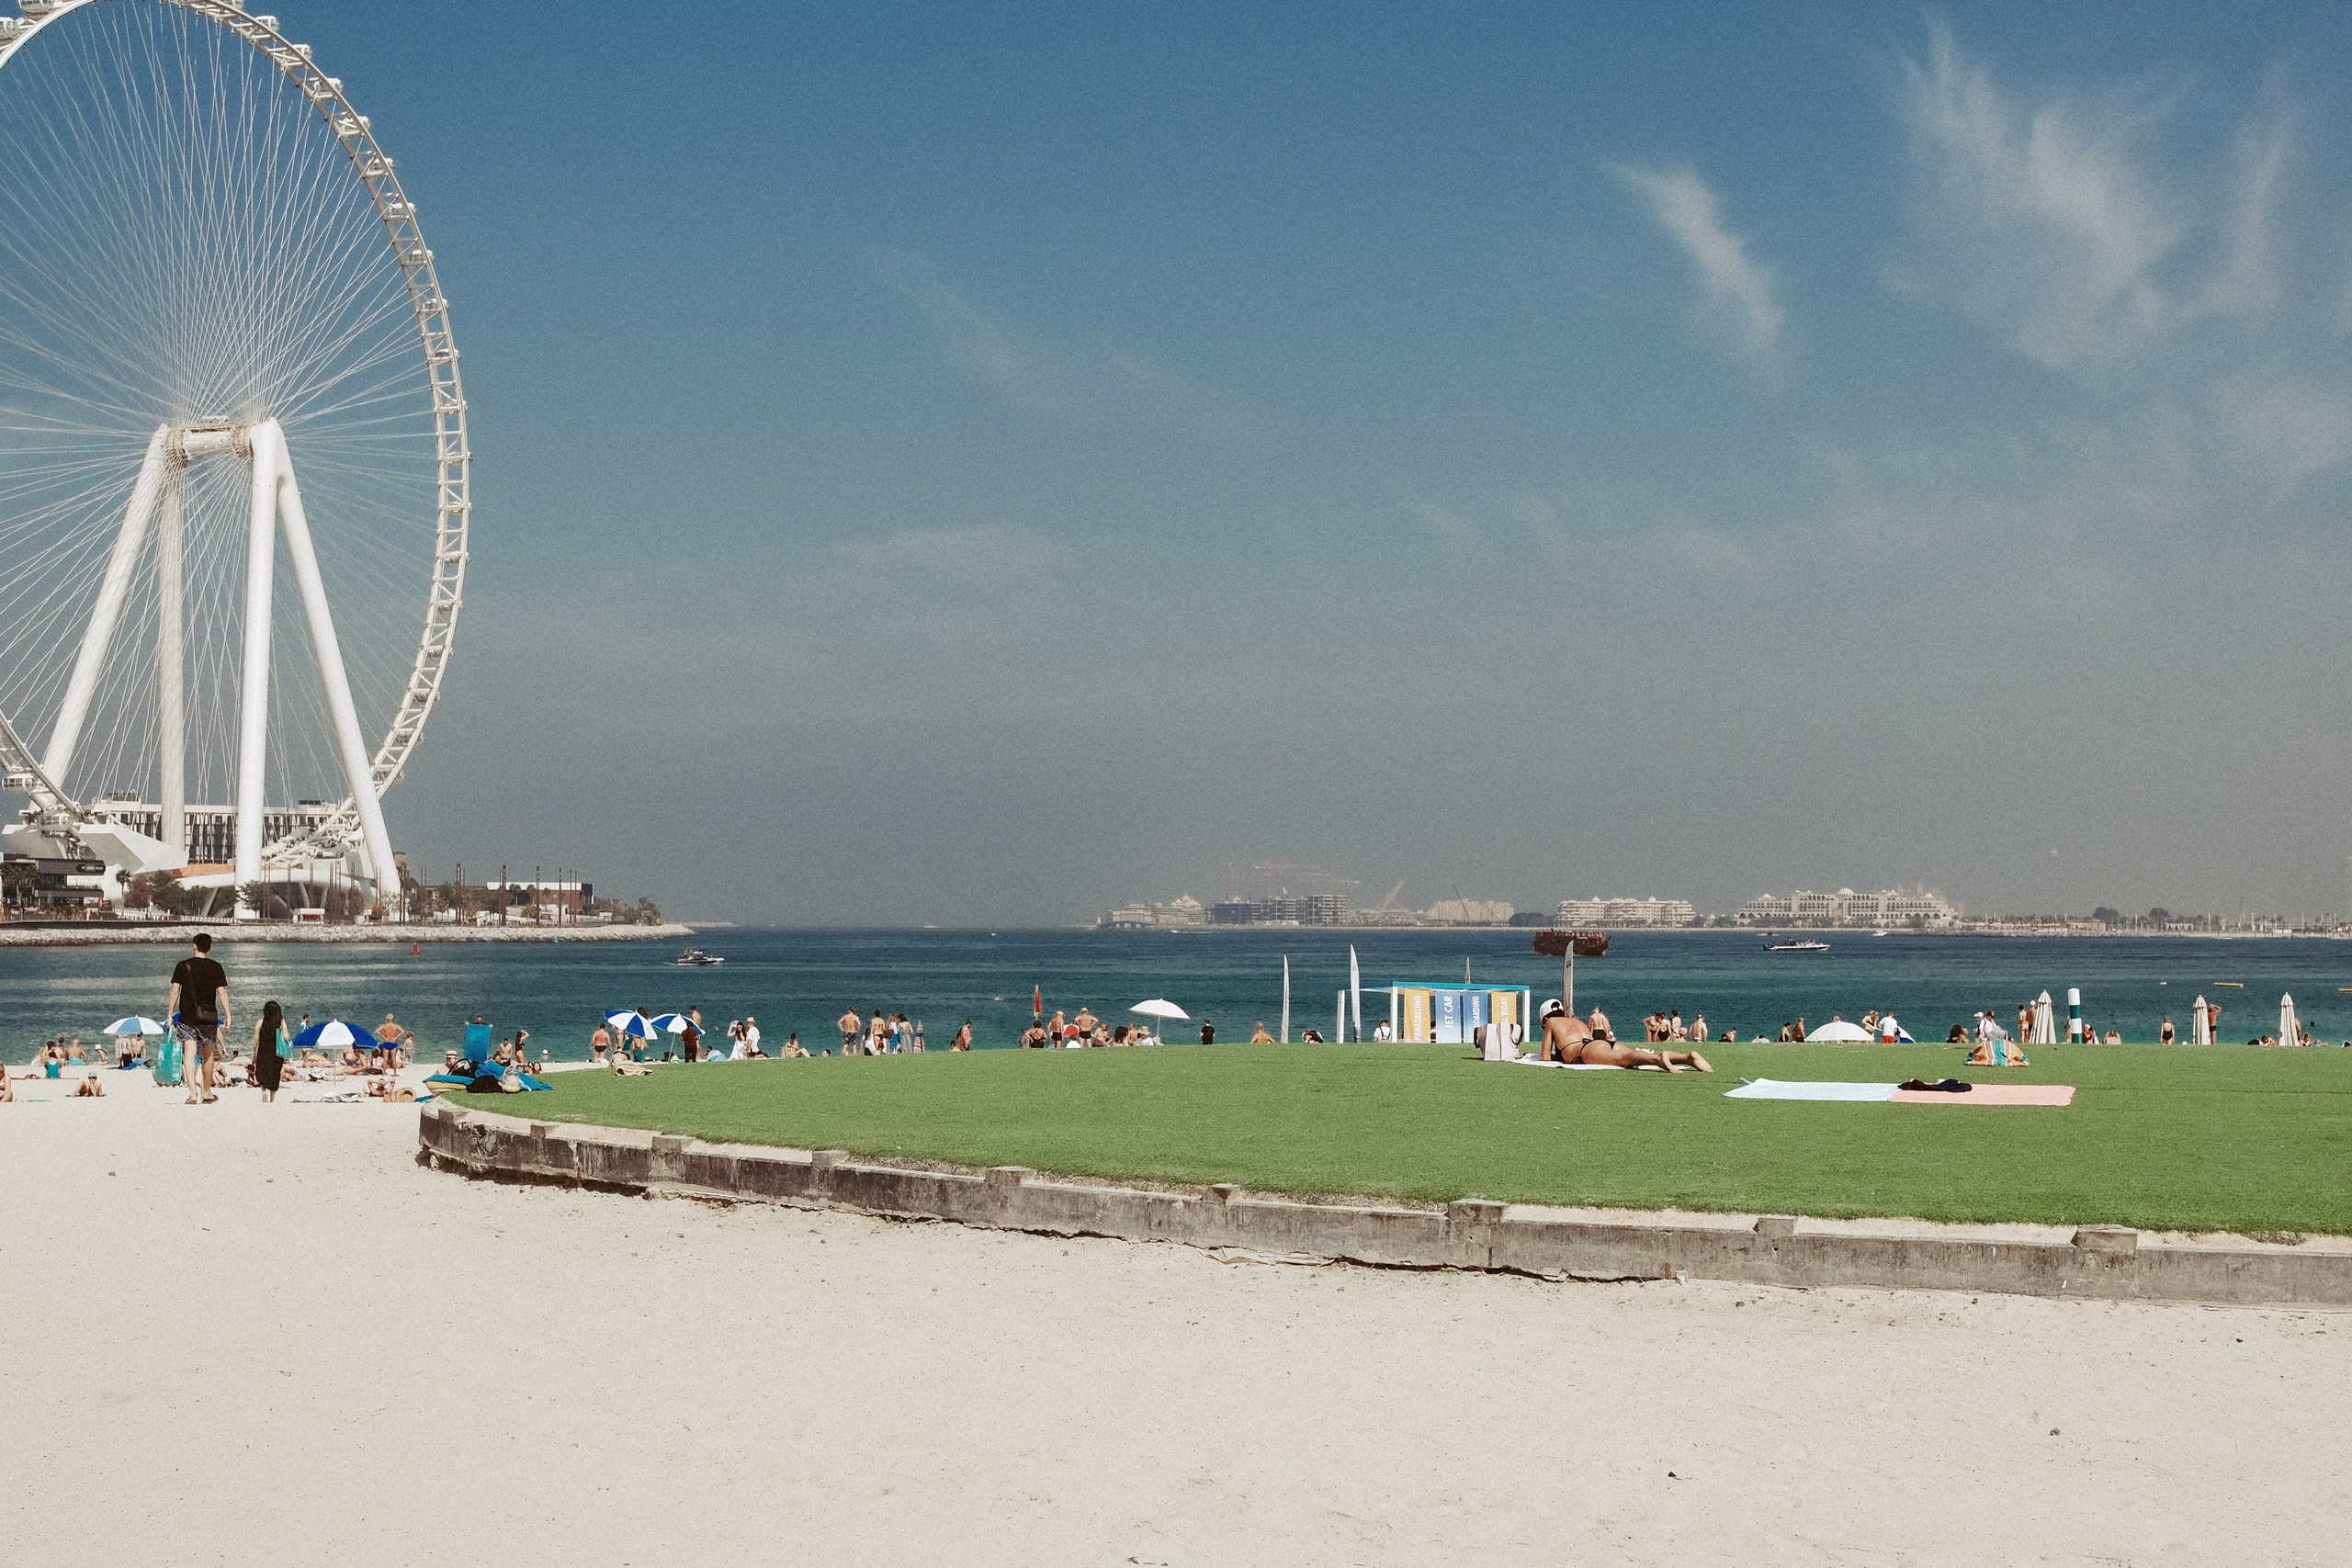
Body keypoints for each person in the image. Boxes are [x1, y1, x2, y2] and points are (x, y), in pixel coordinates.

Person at [1538, 1000, 1710, 1072]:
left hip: (1585, 1051)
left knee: (1626, 1059)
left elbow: (1545, 1058)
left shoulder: (1551, 1023)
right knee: (1628, 1055)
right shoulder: (1575, 1021)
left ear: (1545, 1018)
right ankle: (1687, 1058)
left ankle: (1659, 1059)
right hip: (1599, 1043)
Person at [166, 931, 231, 1106]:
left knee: (189, 1055)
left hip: (187, 1017)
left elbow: (175, 991)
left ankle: (193, 1093)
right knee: (208, 1055)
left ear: (194, 946)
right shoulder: (216, 967)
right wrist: (228, 1015)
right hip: (209, 1017)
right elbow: (222, 992)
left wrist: (170, 1014)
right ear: (209, 948)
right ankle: (207, 1091)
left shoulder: (182, 965)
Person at [252, 1000, 288, 1103]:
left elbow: (255, 1038)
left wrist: (253, 1052)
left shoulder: (260, 1022)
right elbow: (286, 1036)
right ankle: (272, 1099)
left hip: (263, 1051)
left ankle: (263, 1090)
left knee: (262, 1071)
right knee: (275, 1073)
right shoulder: (281, 1022)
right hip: (276, 1052)